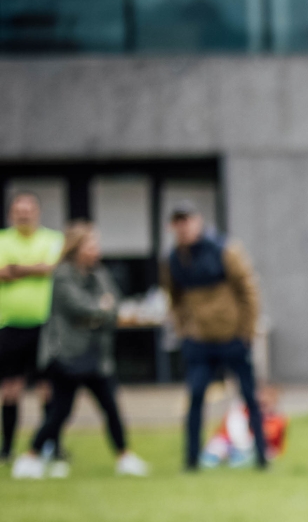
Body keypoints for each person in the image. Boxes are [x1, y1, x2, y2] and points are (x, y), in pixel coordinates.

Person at [16, 221, 147, 478]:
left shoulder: (99, 273)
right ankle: (30, 456)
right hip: (68, 355)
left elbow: (114, 304)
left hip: (96, 355)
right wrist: (101, 309)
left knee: (110, 407)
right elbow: (79, 308)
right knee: (60, 411)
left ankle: (124, 456)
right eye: (90, 244)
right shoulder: (63, 275)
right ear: (77, 247)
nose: (96, 249)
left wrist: (101, 310)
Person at [161, 202, 267, 472]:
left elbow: (248, 290)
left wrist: (247, 331)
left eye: (187, 220)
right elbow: (173, 297)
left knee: (249, 396)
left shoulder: (225, 250)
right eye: (178, 222)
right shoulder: (174, 258)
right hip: (199, 340)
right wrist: (184, 329)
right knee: (195, 397)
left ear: (198, 221)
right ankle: (191, 460)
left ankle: (262, 456)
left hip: (232, 337)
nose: (184, 227)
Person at [1, 191, 65, 469]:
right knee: (10, 388)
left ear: (37, 213)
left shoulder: (53, 240)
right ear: (11, 214)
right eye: (19, 211)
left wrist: (16, 269)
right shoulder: (2, 240)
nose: (24, 216)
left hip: (45, 326)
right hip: (9, 326)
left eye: (28, 211)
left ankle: (51, 446)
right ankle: (7, 448)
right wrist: (35, 268)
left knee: (47, 388)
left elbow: (52, 268)